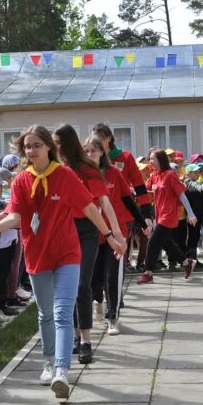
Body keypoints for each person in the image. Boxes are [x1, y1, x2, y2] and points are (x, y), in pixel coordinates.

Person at [0, 125, 123, 400]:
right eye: (27, 146)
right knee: (45, 313)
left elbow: (89, 208)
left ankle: (62, 371)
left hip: (67, 253)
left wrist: (110, 234)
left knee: (63, 312)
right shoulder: (21, 181)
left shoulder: (64, 175)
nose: (32, 150)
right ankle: (49, 361)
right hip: (37, 254)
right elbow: (15, 217)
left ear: (49, 147)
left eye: (37, 145)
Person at [53, 124, 122, 364]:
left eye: (58, 143)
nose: (55, 147)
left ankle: (85, 340)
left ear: (68, 143)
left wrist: (115, 234)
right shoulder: (58, 170)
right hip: (63, 231)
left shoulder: (88, 169)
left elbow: (104, 203)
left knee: (82, 284)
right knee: (66, 287)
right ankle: (72, 336)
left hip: (86, 232)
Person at [84, 135, 146, 334]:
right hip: (91, 234)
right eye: (86, 151)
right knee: (94, 278)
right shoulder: (80, 175)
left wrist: (143, 221)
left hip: (116, 233)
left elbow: (128, 199)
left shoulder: (113, 172)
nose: (90, 154)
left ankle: (113, 318)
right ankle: (98, 302)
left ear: (102, 152)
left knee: (112, 278)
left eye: (94, 150)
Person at [141, 149, 197, 283]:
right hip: (159, 216)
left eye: (152, 159)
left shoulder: (170, 175)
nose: (150, 161)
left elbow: (181, 195)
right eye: (149, 159)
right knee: (167, 244)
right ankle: (186, 262)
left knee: (153, 242)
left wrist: (191, 213)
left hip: (169, 216)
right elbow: (144, 190)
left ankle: (148, 272)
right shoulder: (154, 175)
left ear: (160, 160)